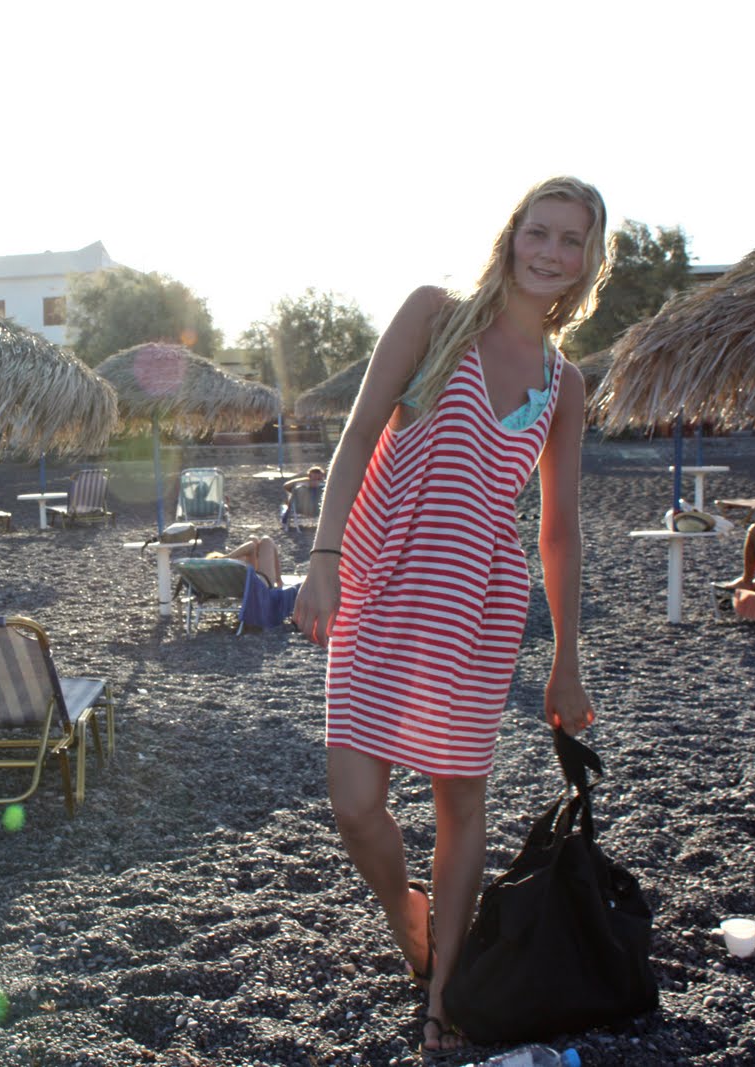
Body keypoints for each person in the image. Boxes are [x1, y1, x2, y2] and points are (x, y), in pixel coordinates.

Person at [291, 177, 606, 1054]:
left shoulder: (565, 384)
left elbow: (559, 529)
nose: (550, 252)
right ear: (512, 237)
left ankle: (442, 993)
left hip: (478, 601)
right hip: (384, 576)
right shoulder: (435, 316)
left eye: (571, 241)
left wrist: (566, 658)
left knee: (461, 801)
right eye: (539, 232)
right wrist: (323, 557)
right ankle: (408, 915)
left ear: (589, 261)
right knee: (356, 804)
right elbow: (359, 433)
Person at [207, 536, 283, 587]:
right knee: (266, 540)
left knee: (253, 538)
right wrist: (227, 557)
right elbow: (251, 546)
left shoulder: (217, 578)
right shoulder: (229, 564)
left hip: (250, 581)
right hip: (260, 585)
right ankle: (279, 580)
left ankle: (279, 580)